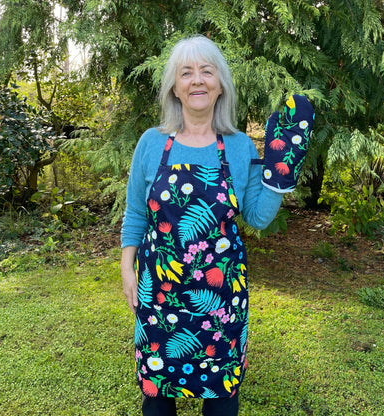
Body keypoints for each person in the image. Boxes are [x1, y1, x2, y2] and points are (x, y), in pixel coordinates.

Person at [121, 35, 314, 416]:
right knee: (157, 394)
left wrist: (279, 174)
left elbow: (257, 217)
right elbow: (135, 215)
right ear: (174, 87)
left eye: (207, 71)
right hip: (159, 291)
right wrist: (127, 268)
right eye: (187, 72)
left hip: (221, 297)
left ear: (220, 83)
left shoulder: (239, 146)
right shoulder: (150, 144)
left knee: (222, 394)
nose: (197, 80)